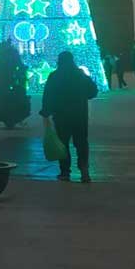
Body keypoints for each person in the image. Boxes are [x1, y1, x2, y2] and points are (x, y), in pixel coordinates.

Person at [40, 51, 99, 183]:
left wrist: (46, 111)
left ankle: (65, 172)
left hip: (61, 116)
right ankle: (84, 171)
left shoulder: (54, 76)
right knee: (82, 143)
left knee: (63, 144)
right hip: (80, 115)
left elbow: (48, 95)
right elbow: (93, 92)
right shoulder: (80, 75)